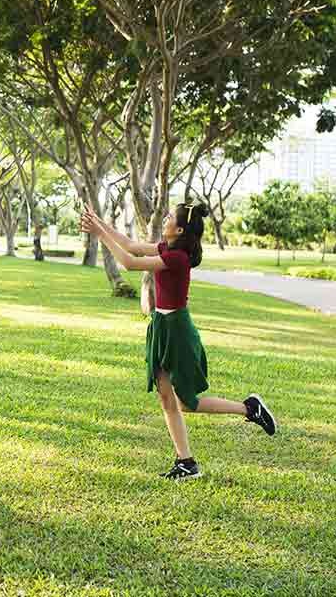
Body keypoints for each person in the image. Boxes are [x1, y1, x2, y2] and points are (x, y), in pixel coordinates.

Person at [80, 202, 276, 481]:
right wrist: (99, 222)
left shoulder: (178, 258)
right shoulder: (166, 248)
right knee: (164, 394)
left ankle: (249, 408)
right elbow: (131, 245)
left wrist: (99, 232)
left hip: (178, 331)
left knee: (186, 402)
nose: (166, 218)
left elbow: (130, 263)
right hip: (161, 326)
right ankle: (186, 462)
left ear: (180, 229)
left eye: (170, 216)